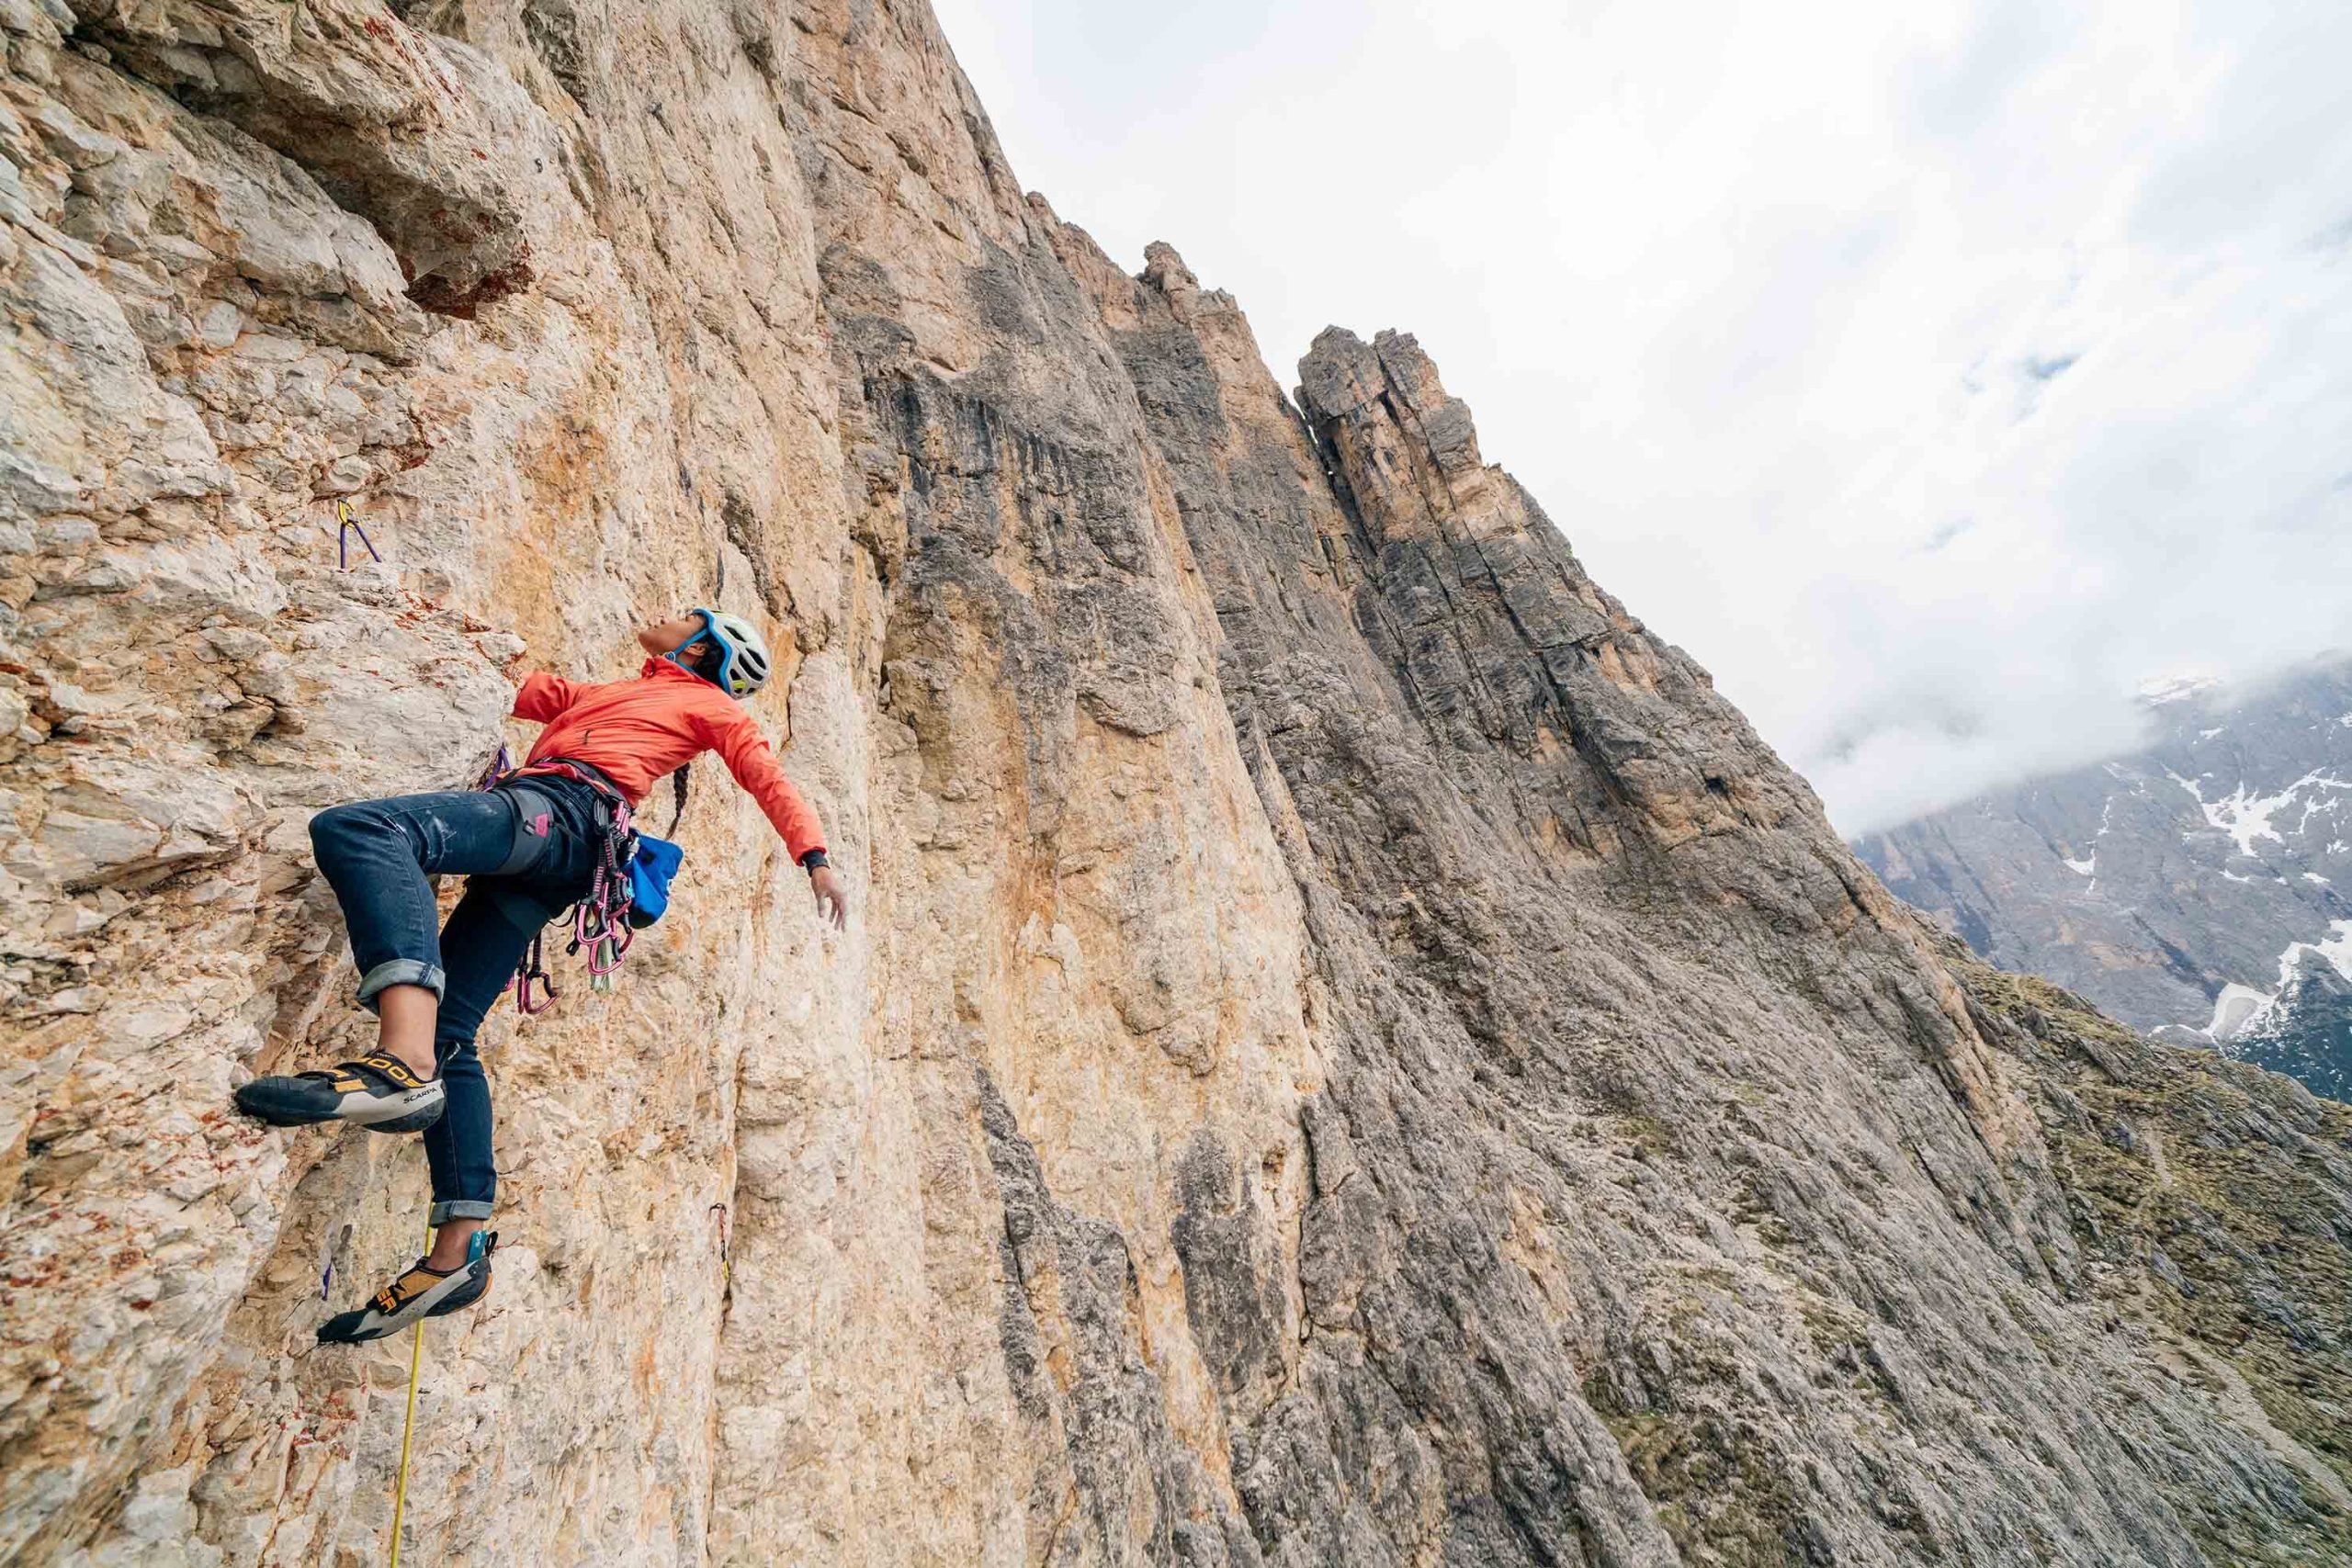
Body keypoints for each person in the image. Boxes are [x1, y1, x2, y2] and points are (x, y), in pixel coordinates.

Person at [235, 608, 847, 1342]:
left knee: (365, 829)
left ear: (702, 646)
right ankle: (455, 1255)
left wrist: (815, 857)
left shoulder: (707, 703)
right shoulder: (606, 694)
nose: (664, 615)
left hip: (561, 813)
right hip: (562, 846)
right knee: (454, 1034)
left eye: (687, 617)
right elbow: (512, 685)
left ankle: (399, 1063)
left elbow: (764, 774)